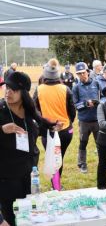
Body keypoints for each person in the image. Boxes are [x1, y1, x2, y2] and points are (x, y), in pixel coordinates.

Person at [0, 72, 60, 225]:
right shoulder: (1, 110)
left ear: (24, 93)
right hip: (7, 177)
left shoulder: (29, 113)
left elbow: (39, 125)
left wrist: (52, 126)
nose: (8, 92)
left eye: (13, 89)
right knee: (12, 217)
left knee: (29, 214)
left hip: (30, 174)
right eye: (7, 87)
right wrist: (1, 130)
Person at [33, 58, 76, 179]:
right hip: (65, 129)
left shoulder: (39, 89)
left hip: (47, 131)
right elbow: (72, 111)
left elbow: (34, 109)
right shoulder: (65, 89)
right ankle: (57, 185)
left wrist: (42, 122)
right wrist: (69, 122)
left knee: (52, 158)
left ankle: (55, 186)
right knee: (59, 157)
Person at [72, 62, 100, 173]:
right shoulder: (76, 88)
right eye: (79, 74)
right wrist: (85, 104)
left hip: (97, 118)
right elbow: (75, 105)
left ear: (87, 72)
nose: (81, 75)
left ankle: (103, 161)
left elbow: (102, 97)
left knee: (100, 142)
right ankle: (82, 164)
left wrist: (98, 102)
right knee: (83, 142)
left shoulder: (96, 83)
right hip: (84, 120)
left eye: (83, 73)